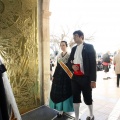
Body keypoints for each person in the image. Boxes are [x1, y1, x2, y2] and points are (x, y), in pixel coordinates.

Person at [67, 30, 96, 120]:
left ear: (81, 36)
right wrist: (72, 66)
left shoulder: (89, 47)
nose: (74, 38)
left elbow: (93, 64)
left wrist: (93, 80)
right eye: (73, 36)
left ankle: (91, 115)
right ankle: (76, 117)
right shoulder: (73, 49)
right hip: (75, 78)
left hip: (86, 78)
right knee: (75, 97)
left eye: (75, 36)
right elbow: (69, 62)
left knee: (87, 97)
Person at [49, 41, 74, 117]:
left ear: (66, 46)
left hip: (66, 77)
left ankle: (65, 109)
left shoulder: (70, 55)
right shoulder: (59, 56)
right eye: (61, 45)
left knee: (65, 92)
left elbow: (71, 67)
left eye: (63, 45)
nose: (62, 46)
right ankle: (60, 110)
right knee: (58, 93)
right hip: (58, 77)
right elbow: (57, 67)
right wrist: (54, 76)